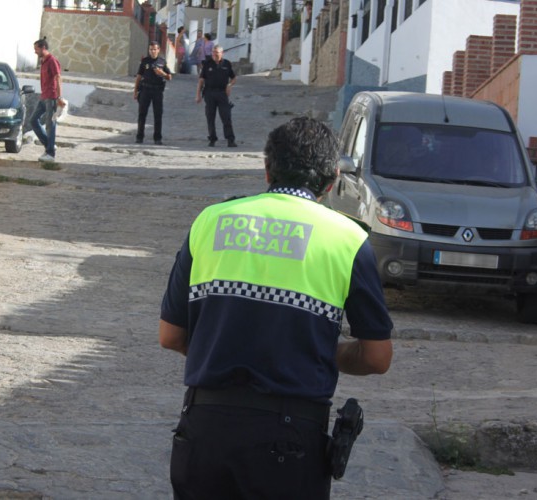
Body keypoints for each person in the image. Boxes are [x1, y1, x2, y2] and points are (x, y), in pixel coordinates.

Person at [159, 116, 394, 499]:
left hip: (205, 431)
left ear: (267, 170)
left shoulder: (210, 222)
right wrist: (320, 352)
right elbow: (377, 357)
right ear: (332, 179)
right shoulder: (347, 240)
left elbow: (170, 335)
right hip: (290, 440)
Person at [196, 45, 237, 147]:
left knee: (226, 117)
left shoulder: (227, 64)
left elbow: (234, 78)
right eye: (213, 52)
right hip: (209, 93)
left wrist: (230, 85)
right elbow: (201, 80)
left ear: (221, 53)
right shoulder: (207, 64)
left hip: (222, 94)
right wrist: (198, 95)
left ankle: (230, 139)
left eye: (216, 53)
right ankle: (212, 139)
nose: (214, 54)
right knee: (210, 117)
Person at [134, 41, 172, 145]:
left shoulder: (162, 61)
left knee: (158, 115)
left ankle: (157, 138)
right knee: (142, 114)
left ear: (158, 50)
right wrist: (135, 91)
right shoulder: (145, 61)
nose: (153, 51)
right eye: (151, 49)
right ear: (149, 50)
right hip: (145, 90)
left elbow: (169, 77)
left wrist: (162, 73)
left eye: (155, 49)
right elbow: (138, 76)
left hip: (157, 91)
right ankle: (139, 136)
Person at [31, 38, 63, 163]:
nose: (35, 51)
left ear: (43, 47)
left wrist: (59, 97)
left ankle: (50, 154)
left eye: (36, 49)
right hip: (44, 96)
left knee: (50, 124)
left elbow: (58, 78)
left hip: (52, 97)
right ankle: (50, 145)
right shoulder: (43, 61)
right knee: (33, 120)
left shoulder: (52, 61)